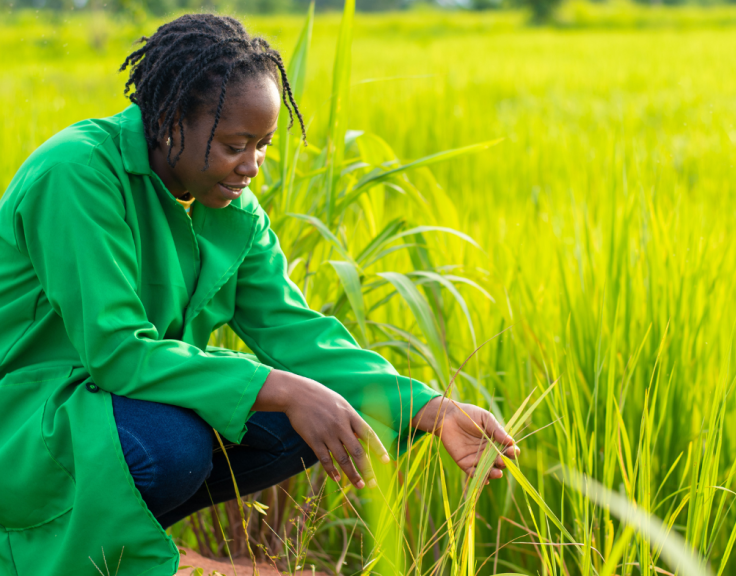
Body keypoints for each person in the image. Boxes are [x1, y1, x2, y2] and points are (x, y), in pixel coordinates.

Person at [0, 13, 519, 576]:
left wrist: (428, 408)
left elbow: (297, 333)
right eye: (234, 144)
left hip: (110, 407)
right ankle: (164, 561)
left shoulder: (229, 210)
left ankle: (142, 548)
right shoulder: (78, 172)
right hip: (28, 419)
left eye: (264, 145)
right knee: (177, 444)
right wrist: (281, 388)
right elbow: (118, 351)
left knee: (334, 413)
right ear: (171, 122)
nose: (252, 166)